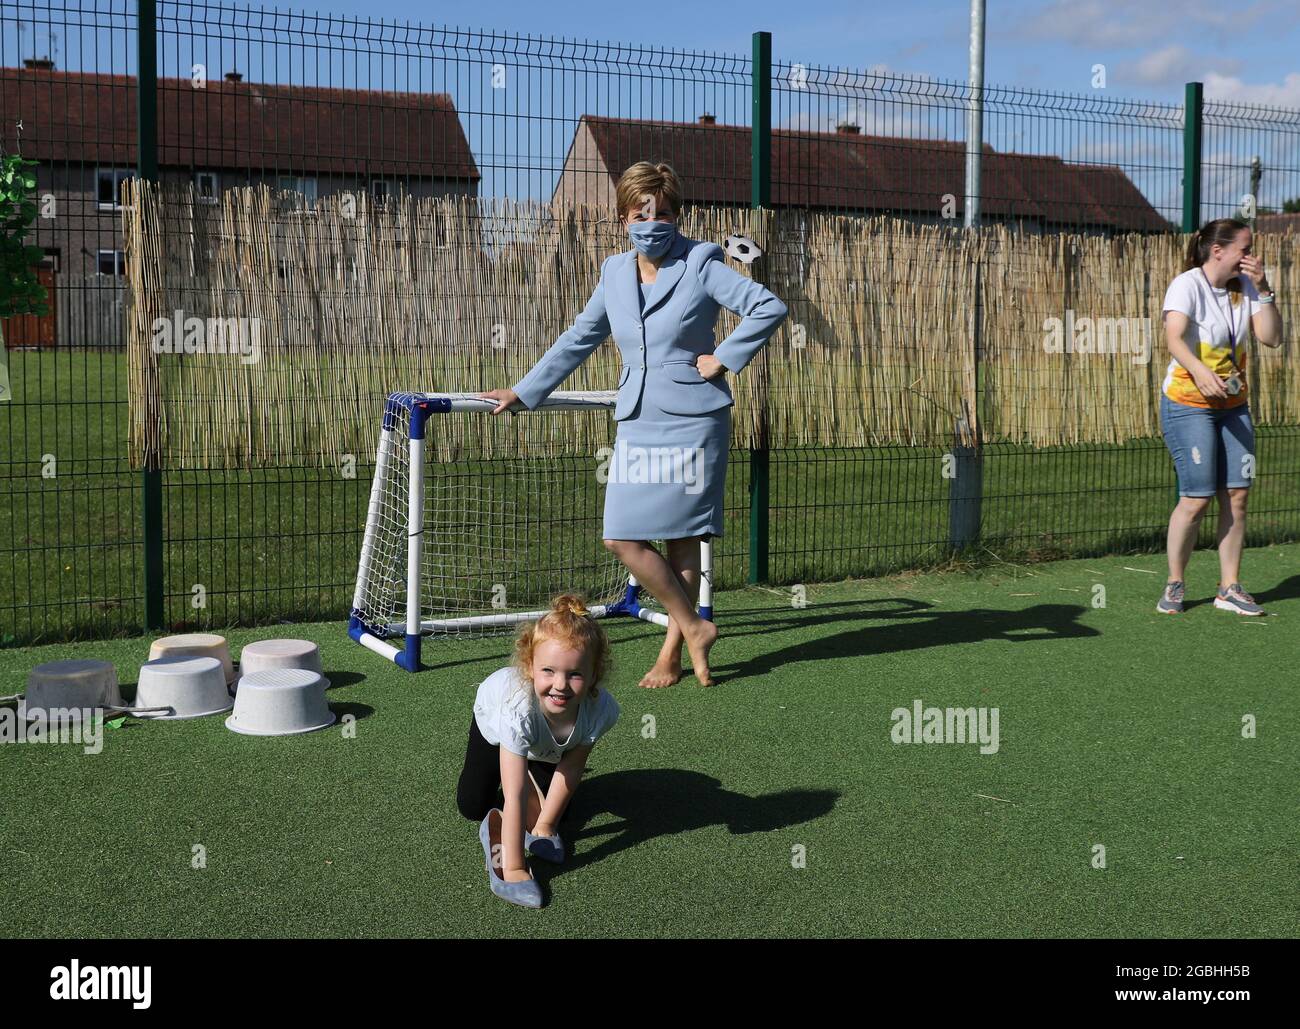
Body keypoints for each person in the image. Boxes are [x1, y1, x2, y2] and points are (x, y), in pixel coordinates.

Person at [479, 161, 788, 686]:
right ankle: (694, 625)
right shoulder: (614, 273)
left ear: (678, 215)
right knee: (621, 537)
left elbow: (768, 306)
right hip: (639, 419)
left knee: (684, 539)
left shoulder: (702, 263)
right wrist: (525, 391)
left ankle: (673, 652)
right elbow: (579, 337)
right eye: (641, 212)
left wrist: (724, 358)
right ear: (623, 216)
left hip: (695, 420)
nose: (653, 221)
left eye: (664, 212)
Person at [456, 593, 619, 908]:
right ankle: (500, 814)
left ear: (594, 674)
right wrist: (515, 867)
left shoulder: (601, 710)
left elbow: (571, 768)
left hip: (543, 748)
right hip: (494, 732)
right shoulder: (516, 708)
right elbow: (514, 792)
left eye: (574, 674)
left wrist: (544, 827)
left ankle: (530, 779)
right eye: (549, 671)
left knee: (561, 815)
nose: (560, 684)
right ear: (530, 667)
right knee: (472, 805)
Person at [1157, 218, 1283, 615]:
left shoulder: (1245, 287)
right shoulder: (1187, 284)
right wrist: (1199, 370)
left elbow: (1272, 337)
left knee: (1238, 495)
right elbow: (1173, 336)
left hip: (1234, 407)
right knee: (1196, 498)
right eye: (1245, 249)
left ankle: (1229, 587)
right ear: (1218, 251)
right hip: (1187, 404)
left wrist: (1263, 290)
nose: (1251, 256)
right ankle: (1175, 584)